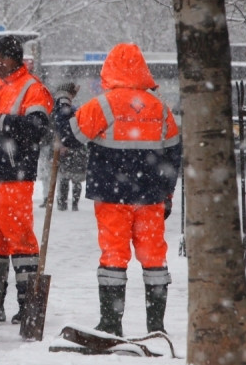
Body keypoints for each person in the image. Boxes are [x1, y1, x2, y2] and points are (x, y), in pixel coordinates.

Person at [55, 43, 181, 336]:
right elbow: (174, 156)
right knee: (154, 258)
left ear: (109, 70)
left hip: (112, 195)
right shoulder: (160, 109)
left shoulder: (104, 105)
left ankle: (111, 324)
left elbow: (69, 136)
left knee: (113, 255)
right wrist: (167, 195)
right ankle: (156, 326)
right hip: (150, 198)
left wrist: (62, 104)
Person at [0, 35, 54, 325]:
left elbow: (37, 127)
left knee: (20, 241)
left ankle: (27, 305)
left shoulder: (33, 88)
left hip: (14, 175)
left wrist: (0, 120)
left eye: (2, 57)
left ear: (16, 60)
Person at [53, 82, 87, 212]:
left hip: (73, 147)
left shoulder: (64, 105)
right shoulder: (65, 105)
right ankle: (66, 203)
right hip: (71, 147)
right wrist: (63, 142)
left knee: (71, 177)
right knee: (68, 177)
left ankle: (68, 203)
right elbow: (61, 125)